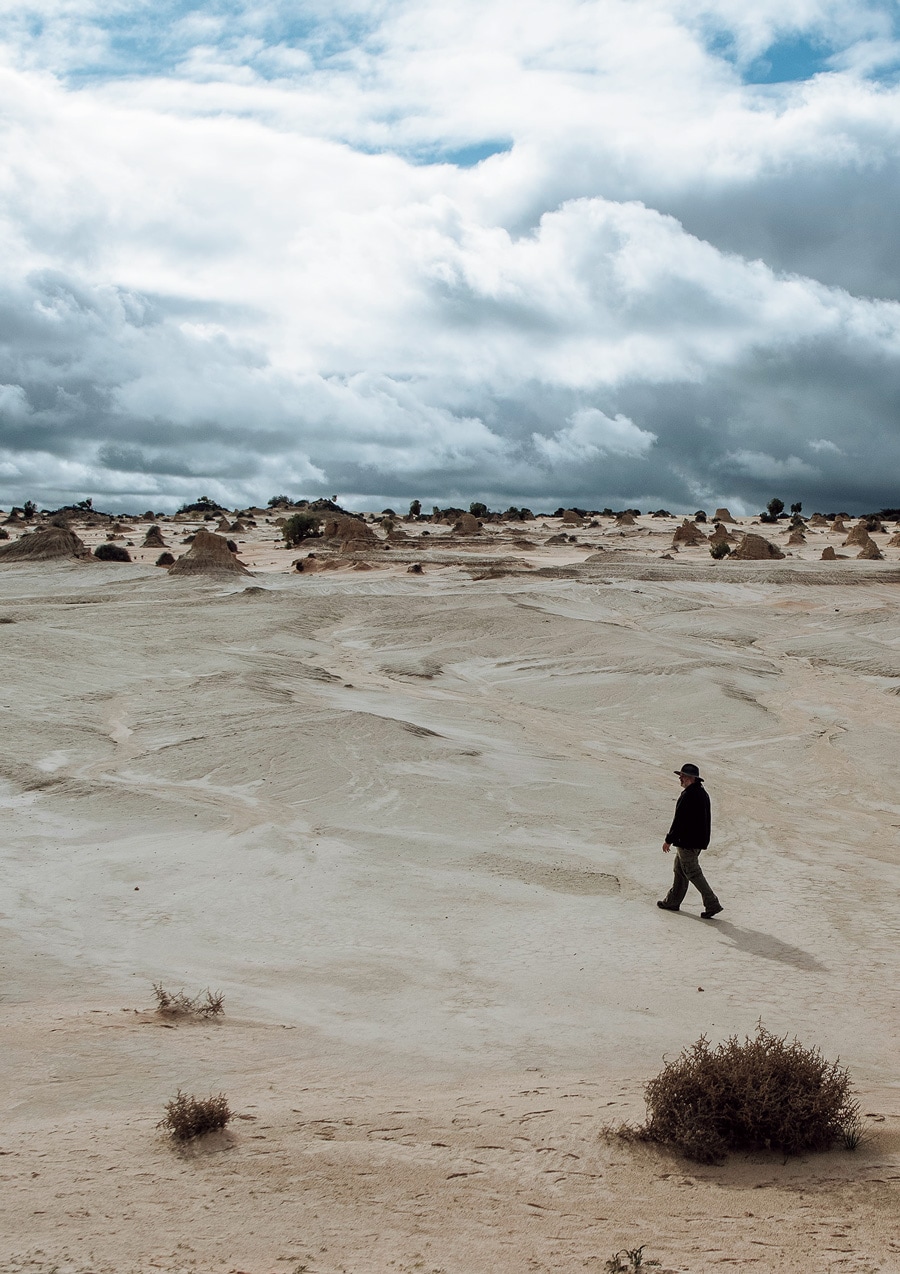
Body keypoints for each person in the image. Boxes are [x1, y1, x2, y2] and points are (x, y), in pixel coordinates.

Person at [657, 763, 723, 918]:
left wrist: (669, 839)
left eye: (683, 776)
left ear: (692, 778)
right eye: (680, 775)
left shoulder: (689, 795)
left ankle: (712, 903)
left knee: (692, 872)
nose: (680, 778)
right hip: (696, 842)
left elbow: (679, 820)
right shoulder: (701, 793)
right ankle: (672, 901)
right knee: (680, 870)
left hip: (687, 842)